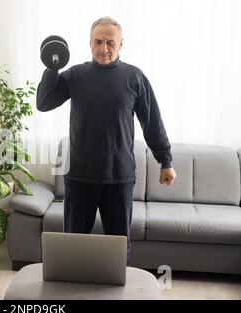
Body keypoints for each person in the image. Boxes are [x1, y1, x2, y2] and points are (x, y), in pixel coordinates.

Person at [37, 16, 177, 264]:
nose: (104, 48)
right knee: (73, 245)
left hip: (119, 177)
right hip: (81, 176)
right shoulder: (75, 75)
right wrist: (52, 66)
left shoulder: (135, 78)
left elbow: (152, 122)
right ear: (89, 43)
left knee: (118, 246)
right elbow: (44, 103)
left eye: (110, 42)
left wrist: (165, 160)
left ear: (121, 44)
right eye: (98, 41)